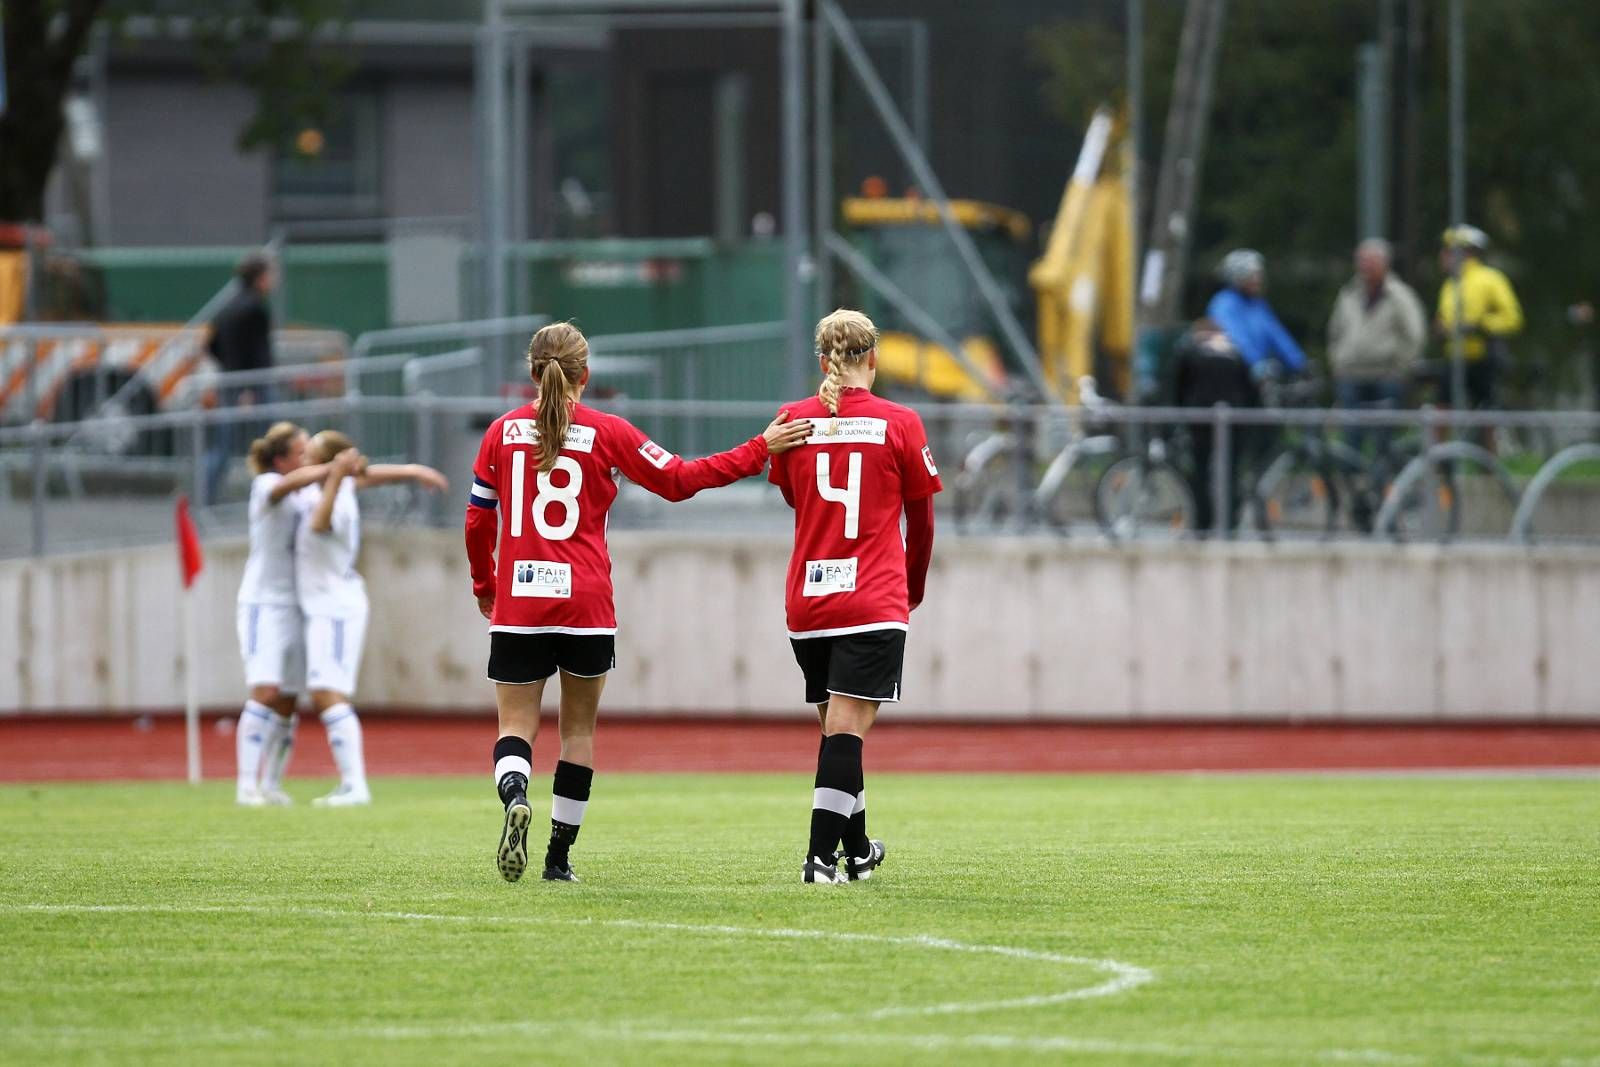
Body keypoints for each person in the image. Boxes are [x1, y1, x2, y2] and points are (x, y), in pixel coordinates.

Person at [466, 321, 811, 883]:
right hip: (585, 605)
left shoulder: (500, 433)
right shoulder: (609, 431)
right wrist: (758, 449)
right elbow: (679, 480)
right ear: (586, 374)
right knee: (578, 733)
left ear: (531, 372)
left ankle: (515, 795)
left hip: (521, 601)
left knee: (516, 724)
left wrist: (487, 585)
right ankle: (558, 859)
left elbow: (478, 520)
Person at [767, 309, 941, 885]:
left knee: (838, 732)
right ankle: (819, 861)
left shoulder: (793, 419)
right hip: (871, 597)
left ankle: (859, 850)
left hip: (809, 601)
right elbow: (923, 521)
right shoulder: (901, 422)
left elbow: (797, 499)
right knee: (845, 733)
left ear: (823, 362)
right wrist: (911, 588)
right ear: (874, 359)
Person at [295, 430, 448, 807]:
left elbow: (317, 524)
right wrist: (413, 471)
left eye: (310, 454)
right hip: (327, 604)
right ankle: (351, 784)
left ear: (326, 463)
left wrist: (335, 476)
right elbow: (370, 475)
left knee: (327, 692)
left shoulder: (334, 496)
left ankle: (355, 784)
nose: (303, 459)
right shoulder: (335, 486)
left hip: (335, 606)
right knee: (326, 692)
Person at [1327, 238, 1427, 456]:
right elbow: (1335, 332)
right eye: (1361, 260)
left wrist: (1400, 369)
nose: (1365, 266)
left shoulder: (1400, 295)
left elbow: (1414, 335)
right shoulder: (1348, 294)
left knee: (1384, 437)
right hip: (1351, 375)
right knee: (1350, 436)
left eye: (1370, 261)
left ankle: (1383, 475)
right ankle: (1351, 476)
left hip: (1386, 376)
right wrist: (1338, 362)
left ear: (1385, 263)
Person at [1170, 318, 1259, 535]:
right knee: (1231, 472)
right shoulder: (1235, 352)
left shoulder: (1192, 351)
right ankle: (1229, 522)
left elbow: (1178, 386)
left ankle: (1202, 523)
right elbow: (1251, 390)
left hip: (1200, 416)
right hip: (1234, 418)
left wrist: (1180, 415)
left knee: (1200, 471)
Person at [204, 253, 278, 506]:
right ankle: (270, 493)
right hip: (251, 385)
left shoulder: (229, 306)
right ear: (259, 278)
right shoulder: (253, 309)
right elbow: (256, 353)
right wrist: (247, 386)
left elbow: (212, 345)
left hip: (232, 382)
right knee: (269, 443)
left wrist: (228, 368)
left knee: (224, 443)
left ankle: (205, 495)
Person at [1436, 224, 1523, 411]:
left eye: (1448, 251)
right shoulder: (1449, 284)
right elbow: (1444, 318)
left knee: (1487, 413)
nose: (1442, 256)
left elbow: (1513, 318)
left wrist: (1481, 326)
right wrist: (1442, 327)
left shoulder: (1490, 279)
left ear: (1465, 253)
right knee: (1442, 408)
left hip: (1483, 358)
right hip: (1454, 357)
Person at [1206, 249, 1308, 379]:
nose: (1259, 280)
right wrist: (1256, 363)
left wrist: (1299, 363)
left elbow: (1276, 334)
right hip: (1232, 376)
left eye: (1259, 275)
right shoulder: (1223, 304)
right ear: (1237, 278)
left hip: (1257, 376)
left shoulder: (1258, 304)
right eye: (1252, 275)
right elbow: (1236, 337)